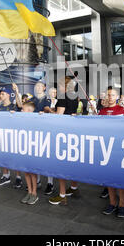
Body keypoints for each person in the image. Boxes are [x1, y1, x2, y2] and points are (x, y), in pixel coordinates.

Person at [99, 87, 124, 218]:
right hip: (106, 149)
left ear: (117, 96)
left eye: (112, 95)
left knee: (120, 178)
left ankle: (122, 205)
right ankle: (112, 203)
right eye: (108, 95)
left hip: (120, 150)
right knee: (108, 178)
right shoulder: (102, 112)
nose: (110, 97)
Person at [49, 76, 80, 206]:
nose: (58, 88)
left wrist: (48, 111)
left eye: (60, 85)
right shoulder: (75, 97)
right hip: (73, 133)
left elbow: (59, 117)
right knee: (72, 163)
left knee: (61, 165)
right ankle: (73, 188)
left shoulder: (62, 98)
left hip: (62, 134)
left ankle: (62, 195)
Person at [20, 101, 40, 205]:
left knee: (32, 172)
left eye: (22, 109)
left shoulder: (37, 119)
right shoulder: (21, 119)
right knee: (26, 171)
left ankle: (34, 193)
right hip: (24, 148)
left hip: (33, 149)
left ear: (28, 111)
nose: (21, 111)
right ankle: (29, 192)